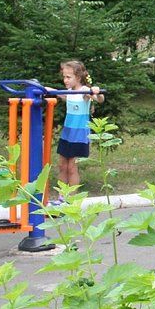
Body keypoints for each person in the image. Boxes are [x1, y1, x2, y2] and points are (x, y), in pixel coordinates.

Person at [51, 60, 103, 205]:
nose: (65, 80)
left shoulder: (84, 91)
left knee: (72, 167)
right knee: (62, 165)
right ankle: (61, 198)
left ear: (78, 77)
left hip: (79, 135)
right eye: (64, 77)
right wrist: (41, 88)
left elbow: (99, 99)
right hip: (67, 134)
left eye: (68, 77)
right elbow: (54, 92)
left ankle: (71, 200)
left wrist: (97, 92)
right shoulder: (69, 92)